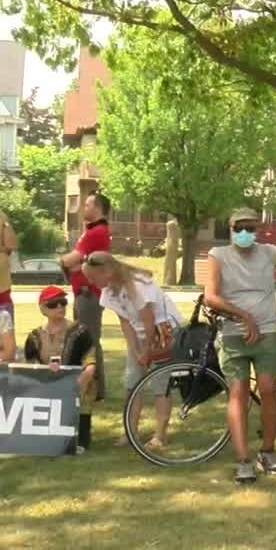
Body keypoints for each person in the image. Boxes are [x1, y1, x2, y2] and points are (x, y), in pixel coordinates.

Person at [205, 208, 276, 484]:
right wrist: (243, 316)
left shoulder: (269, 252)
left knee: (268, 390)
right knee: (238, 393)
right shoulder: (218, 256)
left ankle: (267, 450)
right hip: (233, 335)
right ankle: (243, 460)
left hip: (267, 334)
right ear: (230, 228)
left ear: (258, 229)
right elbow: (211, 297)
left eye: (250, 228)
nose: (245, 233)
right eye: (239, 227)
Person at [82, 252, 182, 449]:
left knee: (160, 385)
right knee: (132, 383)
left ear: (107, 272)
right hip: (140, 334)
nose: (90, 282)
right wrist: (135, 350)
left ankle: (160, 436)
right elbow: (125, 322)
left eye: (92, 277)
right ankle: (130, 433)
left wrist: (147, 351)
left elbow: (149, 320)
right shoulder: (108, 292)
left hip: (163, 331)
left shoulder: (138, 285)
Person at [24, 286, 99, 453]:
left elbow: (90, 363)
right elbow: (30, 369)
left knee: (88, 385)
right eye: (53, 304)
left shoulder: (80, 331)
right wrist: (45, 372)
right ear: (42, 309)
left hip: (78, 385)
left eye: (63, 302)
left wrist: (81, 381)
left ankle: (81, 436)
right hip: (47, 386)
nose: (60, 307)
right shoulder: (33, 337)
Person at [59, 192, 111, 400]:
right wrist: (71, 265)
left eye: (88, 205)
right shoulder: (91, 231)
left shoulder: (96, 232)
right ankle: (93, 384)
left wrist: (63, 261)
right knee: (86, 338)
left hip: (89, 295)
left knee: (89, 340)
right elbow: (75, 264)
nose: (84, 208)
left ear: (97, 208)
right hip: (83, 294)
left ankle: (96, 387)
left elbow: (72, 260)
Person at [0, 210, 16, 327]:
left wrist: (5, 222)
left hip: (2, 288)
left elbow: (11, 245)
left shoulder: (2, 216)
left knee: (6, 334)